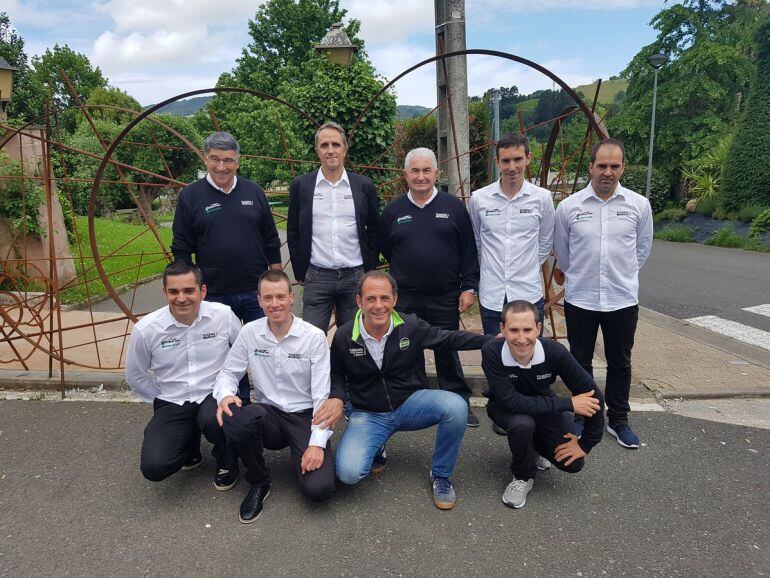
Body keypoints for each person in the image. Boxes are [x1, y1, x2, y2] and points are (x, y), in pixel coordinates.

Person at [332, 271, 493, 510]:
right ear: (359, 302)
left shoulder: (410, 325)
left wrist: (491, 341)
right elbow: (336, 375)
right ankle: (377, 446)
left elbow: (448, 339)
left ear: (395, 299)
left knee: (456, 407)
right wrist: (336, 398)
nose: (378, 305)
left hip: (409, 403)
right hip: (368, 413)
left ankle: (441, 476)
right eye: (371, 299)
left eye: (385, 298)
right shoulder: (345, 335)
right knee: (348, 474)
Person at [214, 270, 344, 523]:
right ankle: (259, 481)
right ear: (259, 301)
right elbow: (228, 372)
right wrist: (226, 395)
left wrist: (317, 443)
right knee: (233, 415)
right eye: (268, 298)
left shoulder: (313, 337)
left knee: (319, 490)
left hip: (306, 416)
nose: (275, 304)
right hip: (268, 414)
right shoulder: (250, 332)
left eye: (280, 297)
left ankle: (312, 452)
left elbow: (321, 395)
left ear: (291, 297)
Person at [553, 138, 653, 449]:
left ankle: (619, 421)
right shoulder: (570, 207)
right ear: (591, 167)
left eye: (614, 166)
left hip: (621, 299)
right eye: (602, 166)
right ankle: (585, 417)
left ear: (622, 167)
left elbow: (642, 250)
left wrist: (618, 275)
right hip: (581, 298)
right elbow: (563, 253)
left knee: (620, 362)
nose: (607, 172)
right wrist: (583, 275)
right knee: (580, 363)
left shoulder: (638, 205)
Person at [171, 131, 282, 405]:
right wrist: (189, 287)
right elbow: (181, 246)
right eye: (215, 159)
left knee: (264, 347)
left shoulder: (253, 192)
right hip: (216, 295)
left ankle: (273, 404)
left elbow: (270, 237)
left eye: (228, 160)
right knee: (228, 354)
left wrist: (276, 277)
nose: (222, 167)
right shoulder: (191, 196)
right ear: (205, 158)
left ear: (238, 161)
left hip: (255, 291)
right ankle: (237, 403)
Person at [379, 148, 481, 426]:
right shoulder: (393, 211)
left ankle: (459, 400)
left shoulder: (454, 207)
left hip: (445, 295)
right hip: (406, 297)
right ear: (405, 174)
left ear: (436, 173)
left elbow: (468, 251)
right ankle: (417, 400)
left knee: (447, 349)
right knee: (408, 349)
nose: (421, 176)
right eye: (415, 170)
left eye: (426, 170)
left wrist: (469, 287)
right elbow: (386, 249)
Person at [125, 261, 241, 491]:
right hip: (172, 400)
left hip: (213, 395)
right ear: (164, 292)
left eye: (189, 290)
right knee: (155, 466)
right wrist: (159, 400)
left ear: (203, 291)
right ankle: (189, 446)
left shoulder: (223, 316)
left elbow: (241, 352)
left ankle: (227, 459)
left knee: (217, 421)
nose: (182, 298)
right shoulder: (146, 329)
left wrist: (230, 389)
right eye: (174, 291)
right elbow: (135, 375)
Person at [481, 300, 604, 509]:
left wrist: (586, 443)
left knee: (573, 464)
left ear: (538, 329)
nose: (521, 338)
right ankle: (523, 475)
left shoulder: (554, 352)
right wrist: (567, 404)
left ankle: (534, 449)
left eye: (527, 329)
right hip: (505, 408)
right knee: (522, 424)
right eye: (513, 330)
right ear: (502, 329)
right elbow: (511, 401)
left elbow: (593, 395)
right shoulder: (492, 351)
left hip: (544, 405)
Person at [287, 121, 379, 333]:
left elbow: (374, 229)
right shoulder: (302, 185)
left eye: (336, 145)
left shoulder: (363, 186)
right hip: (317, 276)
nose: (330, 150)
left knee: (353, 342)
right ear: (317, 150)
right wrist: (301, 271)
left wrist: (369, 269)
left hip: (355, 276)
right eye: (324, 145)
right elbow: (293, 231)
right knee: (311, 339)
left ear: (345, 149)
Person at [468, 132, 554, 335]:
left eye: (518, 159)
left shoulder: (542, 199)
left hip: (528, 293)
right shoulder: (479, 199)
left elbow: (545, 242)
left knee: (531, 359)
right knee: (493, 356)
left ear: (528, 158)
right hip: (492, 295)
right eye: (506, 161)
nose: (512, 167)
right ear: (497, 162)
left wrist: (527, 266)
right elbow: (477, 243)